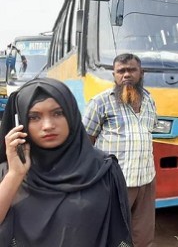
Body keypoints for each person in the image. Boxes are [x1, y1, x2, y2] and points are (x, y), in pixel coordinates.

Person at [0, 78, 132, 246]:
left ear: (71, 114)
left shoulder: (104, 169)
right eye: (34, 117)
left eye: (57, 113)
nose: (48, 125)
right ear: (21, 124)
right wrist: (15, 175)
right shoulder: (9, 172)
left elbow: (117, 234)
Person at [83, 53, 157, 247]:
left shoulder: (150, 101)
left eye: (131, 70)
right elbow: (85, 144)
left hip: (146, 181)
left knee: (143, 236)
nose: (126, 75)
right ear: (114, 75)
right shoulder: (100, 103)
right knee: (112, 236)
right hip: (113, 184)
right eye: (121, 71)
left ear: (141, 73)